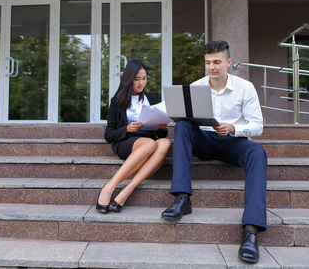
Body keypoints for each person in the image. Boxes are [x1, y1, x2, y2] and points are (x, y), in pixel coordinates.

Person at [161, 40, 267, 264]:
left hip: (232, 142)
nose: (212, 67)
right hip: (205, 140)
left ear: (228, 62)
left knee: (257, 153)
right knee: (182, 126)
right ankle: (182, 198)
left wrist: (234, 128)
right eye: (208, 62)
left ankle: (251, 231)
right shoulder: (196, 86)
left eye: (217, 62)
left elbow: (258, 126)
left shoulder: (245, 87)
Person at [97, 59, 171, 214]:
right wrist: (127, 129)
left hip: (148, 142)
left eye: (144, 79)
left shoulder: (151, 99)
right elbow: (109, 135)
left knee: (165, 143)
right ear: (128, 79)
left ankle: (127, 190)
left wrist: (162, 128)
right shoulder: (117, 101)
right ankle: (109, 187)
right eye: (137, 79)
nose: (141, 83)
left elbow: (159, 135)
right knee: (150, 144)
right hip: (126, 142)